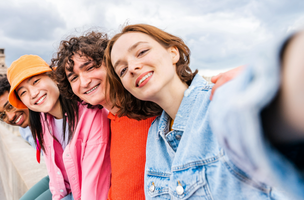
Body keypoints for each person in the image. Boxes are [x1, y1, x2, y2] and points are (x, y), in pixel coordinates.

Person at [104, 24, 287, 199]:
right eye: (122, 70)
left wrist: (274, 78)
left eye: (142, 52)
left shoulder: (225, 102)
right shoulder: (155, 135)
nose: (133, 68)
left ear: (173, 53)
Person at [51, 31, 238, 200]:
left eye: (90, 67)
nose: (84, 81)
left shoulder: (151, 109)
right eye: (74, 78)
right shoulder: (103, 122)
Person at [210, 30, 304, 200]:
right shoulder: (153, 132)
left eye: (144, 51)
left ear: (173, 53)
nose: (142, 63)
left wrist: (255, 81)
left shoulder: (218, 100)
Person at [7, 55, 111, 200]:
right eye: (23, 92)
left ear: (54, 77)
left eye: (36, 82)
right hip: (72, 188)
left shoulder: (91, 114)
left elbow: (94, 188)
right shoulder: (43, 120)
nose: (33, 93)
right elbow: (56, 178)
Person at [0, 77, 50, 199]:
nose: (10, 116)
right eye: (2, 115)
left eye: (10, 106)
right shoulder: (24, 129)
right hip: (57, 176)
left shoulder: (53, 117)